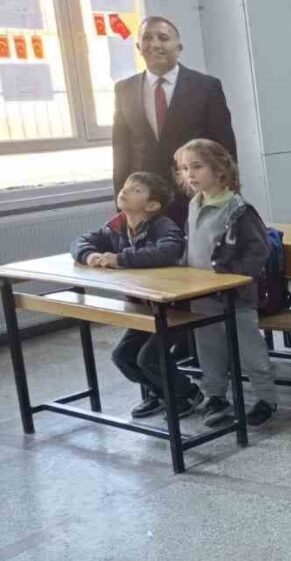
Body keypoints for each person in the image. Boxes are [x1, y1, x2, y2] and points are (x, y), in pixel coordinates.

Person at [71, 172, 202, 419]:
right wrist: (89, 255)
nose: (125, 191)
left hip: (175, 307)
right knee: (122, 357)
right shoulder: (118, 225)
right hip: (145, 308)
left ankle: (186, 394)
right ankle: (161, 393)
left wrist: (120, 259)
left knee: (148, 358)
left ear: (152, 206)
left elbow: (168, 251)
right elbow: (81, 241)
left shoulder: (162, 225)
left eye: (136, 190)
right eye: (126, 186)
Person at [176, 139, 277, 428]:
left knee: (250, 350)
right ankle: (217, 396)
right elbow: (192, 246)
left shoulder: (238, 209)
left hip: (234, 296)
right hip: (201, 295)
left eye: (197, 166)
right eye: (185, 168)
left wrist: (233, 277)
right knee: (209, 349)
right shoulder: (194, 204)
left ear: (219, 170)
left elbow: (259, 250)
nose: (190, 174)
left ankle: (266, 399)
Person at [112, 16, 236, 229]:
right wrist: (121, 205)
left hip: (196, 195)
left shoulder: (206, 87)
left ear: (179, 48)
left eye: (163, 38)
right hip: (145, 202)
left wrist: (228, 194)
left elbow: (224, 148)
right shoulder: (124, 90)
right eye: (147, 38)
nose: (155, 44)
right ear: (138, 47)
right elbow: (121, 151)